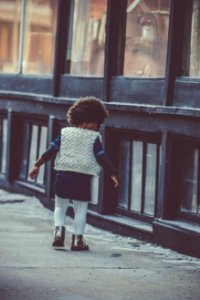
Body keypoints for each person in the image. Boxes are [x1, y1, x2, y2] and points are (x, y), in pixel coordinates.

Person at [29, 96, 119, 251]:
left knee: (60, 206)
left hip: (63, 175)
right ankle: (78, 240)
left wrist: (37, 165)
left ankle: (59, 231)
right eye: (95, 122)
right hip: (83, 178)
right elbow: (101, 156)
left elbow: (51, 150)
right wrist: (112, 173)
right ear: (90, 120)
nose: (96, 126)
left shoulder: (65, 133)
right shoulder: (94, 138)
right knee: (81, 210)